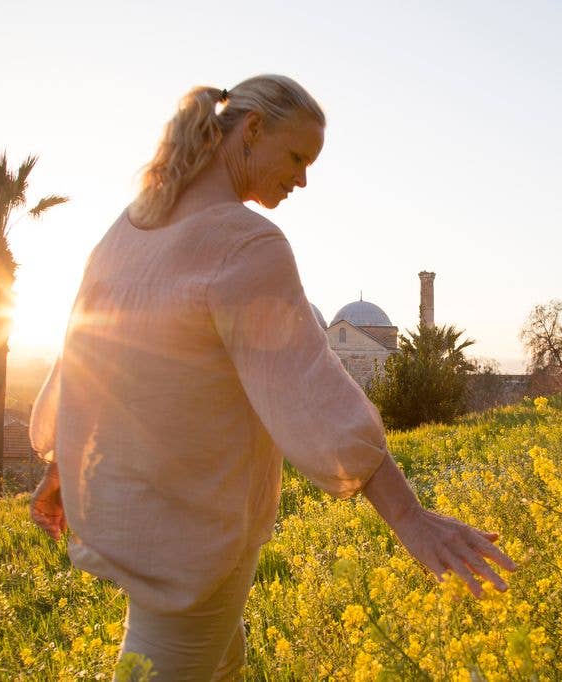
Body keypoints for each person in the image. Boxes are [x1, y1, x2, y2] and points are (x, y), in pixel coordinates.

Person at [27, 74, 516, 681]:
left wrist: (61, 466)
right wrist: (411, 518)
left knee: (220, 666)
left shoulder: (129, 228)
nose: (303, 179)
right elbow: (313, 394)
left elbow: (90, 358)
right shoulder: (246, 242)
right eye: (297, 157)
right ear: (252, 130)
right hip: (198, 547)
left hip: (148, 529)